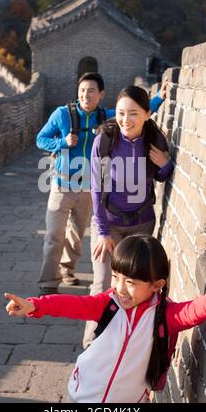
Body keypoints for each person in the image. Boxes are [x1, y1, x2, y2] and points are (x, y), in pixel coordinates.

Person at [5, 234, 206, 403]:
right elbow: (72, 305)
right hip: (82, 394)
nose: (120, 288)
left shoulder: (164, 316)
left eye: (131, 282)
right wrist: (35, 305)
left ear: (157, 285)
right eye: (116, 277)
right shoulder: (108, 304)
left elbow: (194, 309)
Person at [36, 73, 167, 295]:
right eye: (82, 90)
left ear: (101, 94)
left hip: (89, 189)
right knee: (53, 236)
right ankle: (48, 284)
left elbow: (130, 113)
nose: (86, 95)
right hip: (63, 185)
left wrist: (159, 98)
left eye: (91, 91)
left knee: (77, 235)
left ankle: (67, 269)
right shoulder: (62, 114)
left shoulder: (104, 117)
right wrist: (62, 143)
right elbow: (41, 139)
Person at [83, 85, 174, 346]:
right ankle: (93, 344)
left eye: (133, 113)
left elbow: (160, 177)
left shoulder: (155, 139)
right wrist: (101, 231)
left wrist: (165, 165)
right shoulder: (106, 140)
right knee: (102, 285)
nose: (125, 120)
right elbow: (96, 188)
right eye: (121, 113)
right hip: (108, 224)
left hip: (141, 225)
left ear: (147, 113)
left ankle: (127, 343)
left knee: (134, 287)